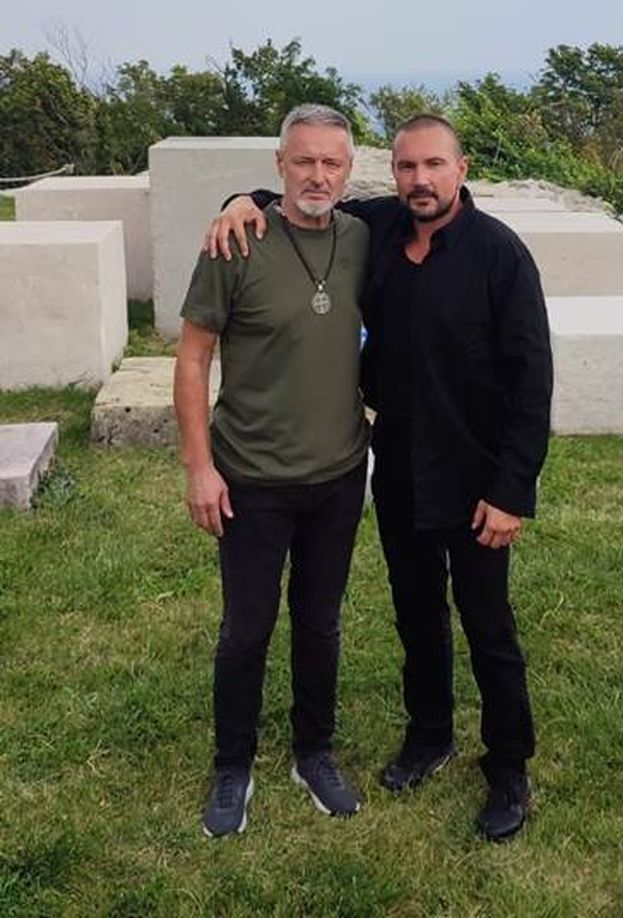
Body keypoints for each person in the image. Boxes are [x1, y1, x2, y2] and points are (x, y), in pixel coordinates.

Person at [206, 114, 552, 841]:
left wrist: (511, 491)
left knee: (488, 627)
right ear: (391, 174)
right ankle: (429, 735)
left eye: (434, 166)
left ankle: (508, 766)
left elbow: (532, 382)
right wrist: (241, 199)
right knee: (416, 614)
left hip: (477, 476)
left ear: (461, 170)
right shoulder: (384, 228)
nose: (420, 181)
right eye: (407, 168)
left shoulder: (500, 255)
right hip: (398, 464)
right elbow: (305, 194)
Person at [174, 104, 371, 837]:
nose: (318, 174)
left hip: (339, 473)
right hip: (250, 477)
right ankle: (234, 765)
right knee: (246, 630)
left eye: (331, 162)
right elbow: (192, 358)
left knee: (320, 623)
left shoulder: (362, 238)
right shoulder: (236, 241)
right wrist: (199, 467)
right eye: (304, 160)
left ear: (348, 170)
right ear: (279, 164)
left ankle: (314, 753)